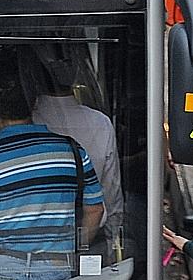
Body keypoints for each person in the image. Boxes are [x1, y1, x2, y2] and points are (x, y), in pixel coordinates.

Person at [0, 76, 103, 280]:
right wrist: (75, 249)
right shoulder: (72, 151)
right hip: (56, 267)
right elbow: (95, 209)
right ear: (35, 104)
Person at [31, 56, 124, 245]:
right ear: (75, 76)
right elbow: (111, 190)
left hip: (34, 242)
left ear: (34, 78)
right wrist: (114, 239)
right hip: (92, 238)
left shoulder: (30, 121)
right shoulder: (100, 123)